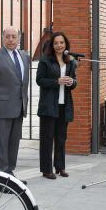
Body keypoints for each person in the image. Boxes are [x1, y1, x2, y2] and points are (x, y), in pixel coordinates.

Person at [0, 26, 30, 179]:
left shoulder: (24, 56)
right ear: (2, 38)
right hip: (1, 109)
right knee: (1, 146)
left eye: (14, 37)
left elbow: (23, 83)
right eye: (7, 36)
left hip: (19, 108)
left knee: (13, 145)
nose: (11, 39)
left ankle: (9, 176)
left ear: (19, 39)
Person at [36, 32, 77, 179]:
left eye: (61, 43)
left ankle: (60, 167)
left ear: (66, 44)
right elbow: (39, 80)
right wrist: (56, 82)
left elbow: (74, 81)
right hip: (48, 106)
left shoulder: (70, 61)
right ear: (52, 46)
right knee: (47, 138)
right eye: (56, 43)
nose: (59, 45)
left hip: (63, 105)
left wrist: (72, 82)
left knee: (61, 138)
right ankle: (46, 170)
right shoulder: (45, 60)